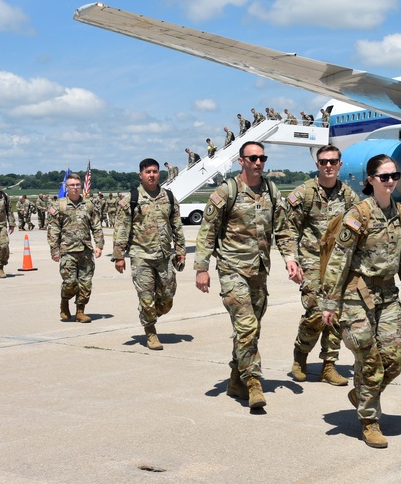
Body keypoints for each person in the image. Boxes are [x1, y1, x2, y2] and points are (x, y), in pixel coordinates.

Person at [321, 154, 401, 448]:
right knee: (369, 361)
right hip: (356, 295)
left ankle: (362, 395)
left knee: (394, 359)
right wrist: (330, 302)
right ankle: (369, 421)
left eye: (395, 175)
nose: (391, 181)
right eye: (385, 177)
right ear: (371, 180)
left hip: (388, 296)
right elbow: (339, 260)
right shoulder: (358, 215)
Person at [195, 141, 285, 410]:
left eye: (262, 158)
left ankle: (235, 378)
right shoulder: (227, 191)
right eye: (253, 158)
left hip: (259, 271)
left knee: (250, 329)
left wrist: (291, 258)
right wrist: (202, 268)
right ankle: (253, 382)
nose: (258, 163)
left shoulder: (271, 190)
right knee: (246, 327)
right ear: (241, 161)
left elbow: (283, 228)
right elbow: (208, 230)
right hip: (232, 269)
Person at [276, 145, 360, 386]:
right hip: (311, 261)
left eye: (333, 161)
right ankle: (300, 354)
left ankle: (329, 365)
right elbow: (287, 229)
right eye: (324, 161)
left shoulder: (348, 196)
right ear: (317, 165)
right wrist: (291, 259)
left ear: (340, 164)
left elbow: (357, 229)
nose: (328, 166)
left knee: (335, 312)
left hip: (338, 263)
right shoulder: (304, 193)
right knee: (315, 311)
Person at [112, 159, 186, 350]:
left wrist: (180, 251)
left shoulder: (168, 197)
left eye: (155, 171)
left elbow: (177, 226)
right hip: (141, 256)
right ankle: (151, 332)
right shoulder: (132, 199)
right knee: (146, 299)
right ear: (141, 175)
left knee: (167, 299)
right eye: (148, 172)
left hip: (164, 256)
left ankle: (150, 313)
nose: (152, 175)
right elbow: (121, 228)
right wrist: (119, 256)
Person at [48, 173, 105, 323]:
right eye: (71, 185)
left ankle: (80, 311)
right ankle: (64, 303)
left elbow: (96, 226)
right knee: (70, 282)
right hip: (67, 251)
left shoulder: (89, 204)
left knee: (86, 283)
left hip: (85, 250)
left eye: (77, 185)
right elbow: (53, 229)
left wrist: (99, 245)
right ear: (66, 187)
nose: (75, 188)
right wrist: (54, 250)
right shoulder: (59, 205)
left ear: (81, 186)